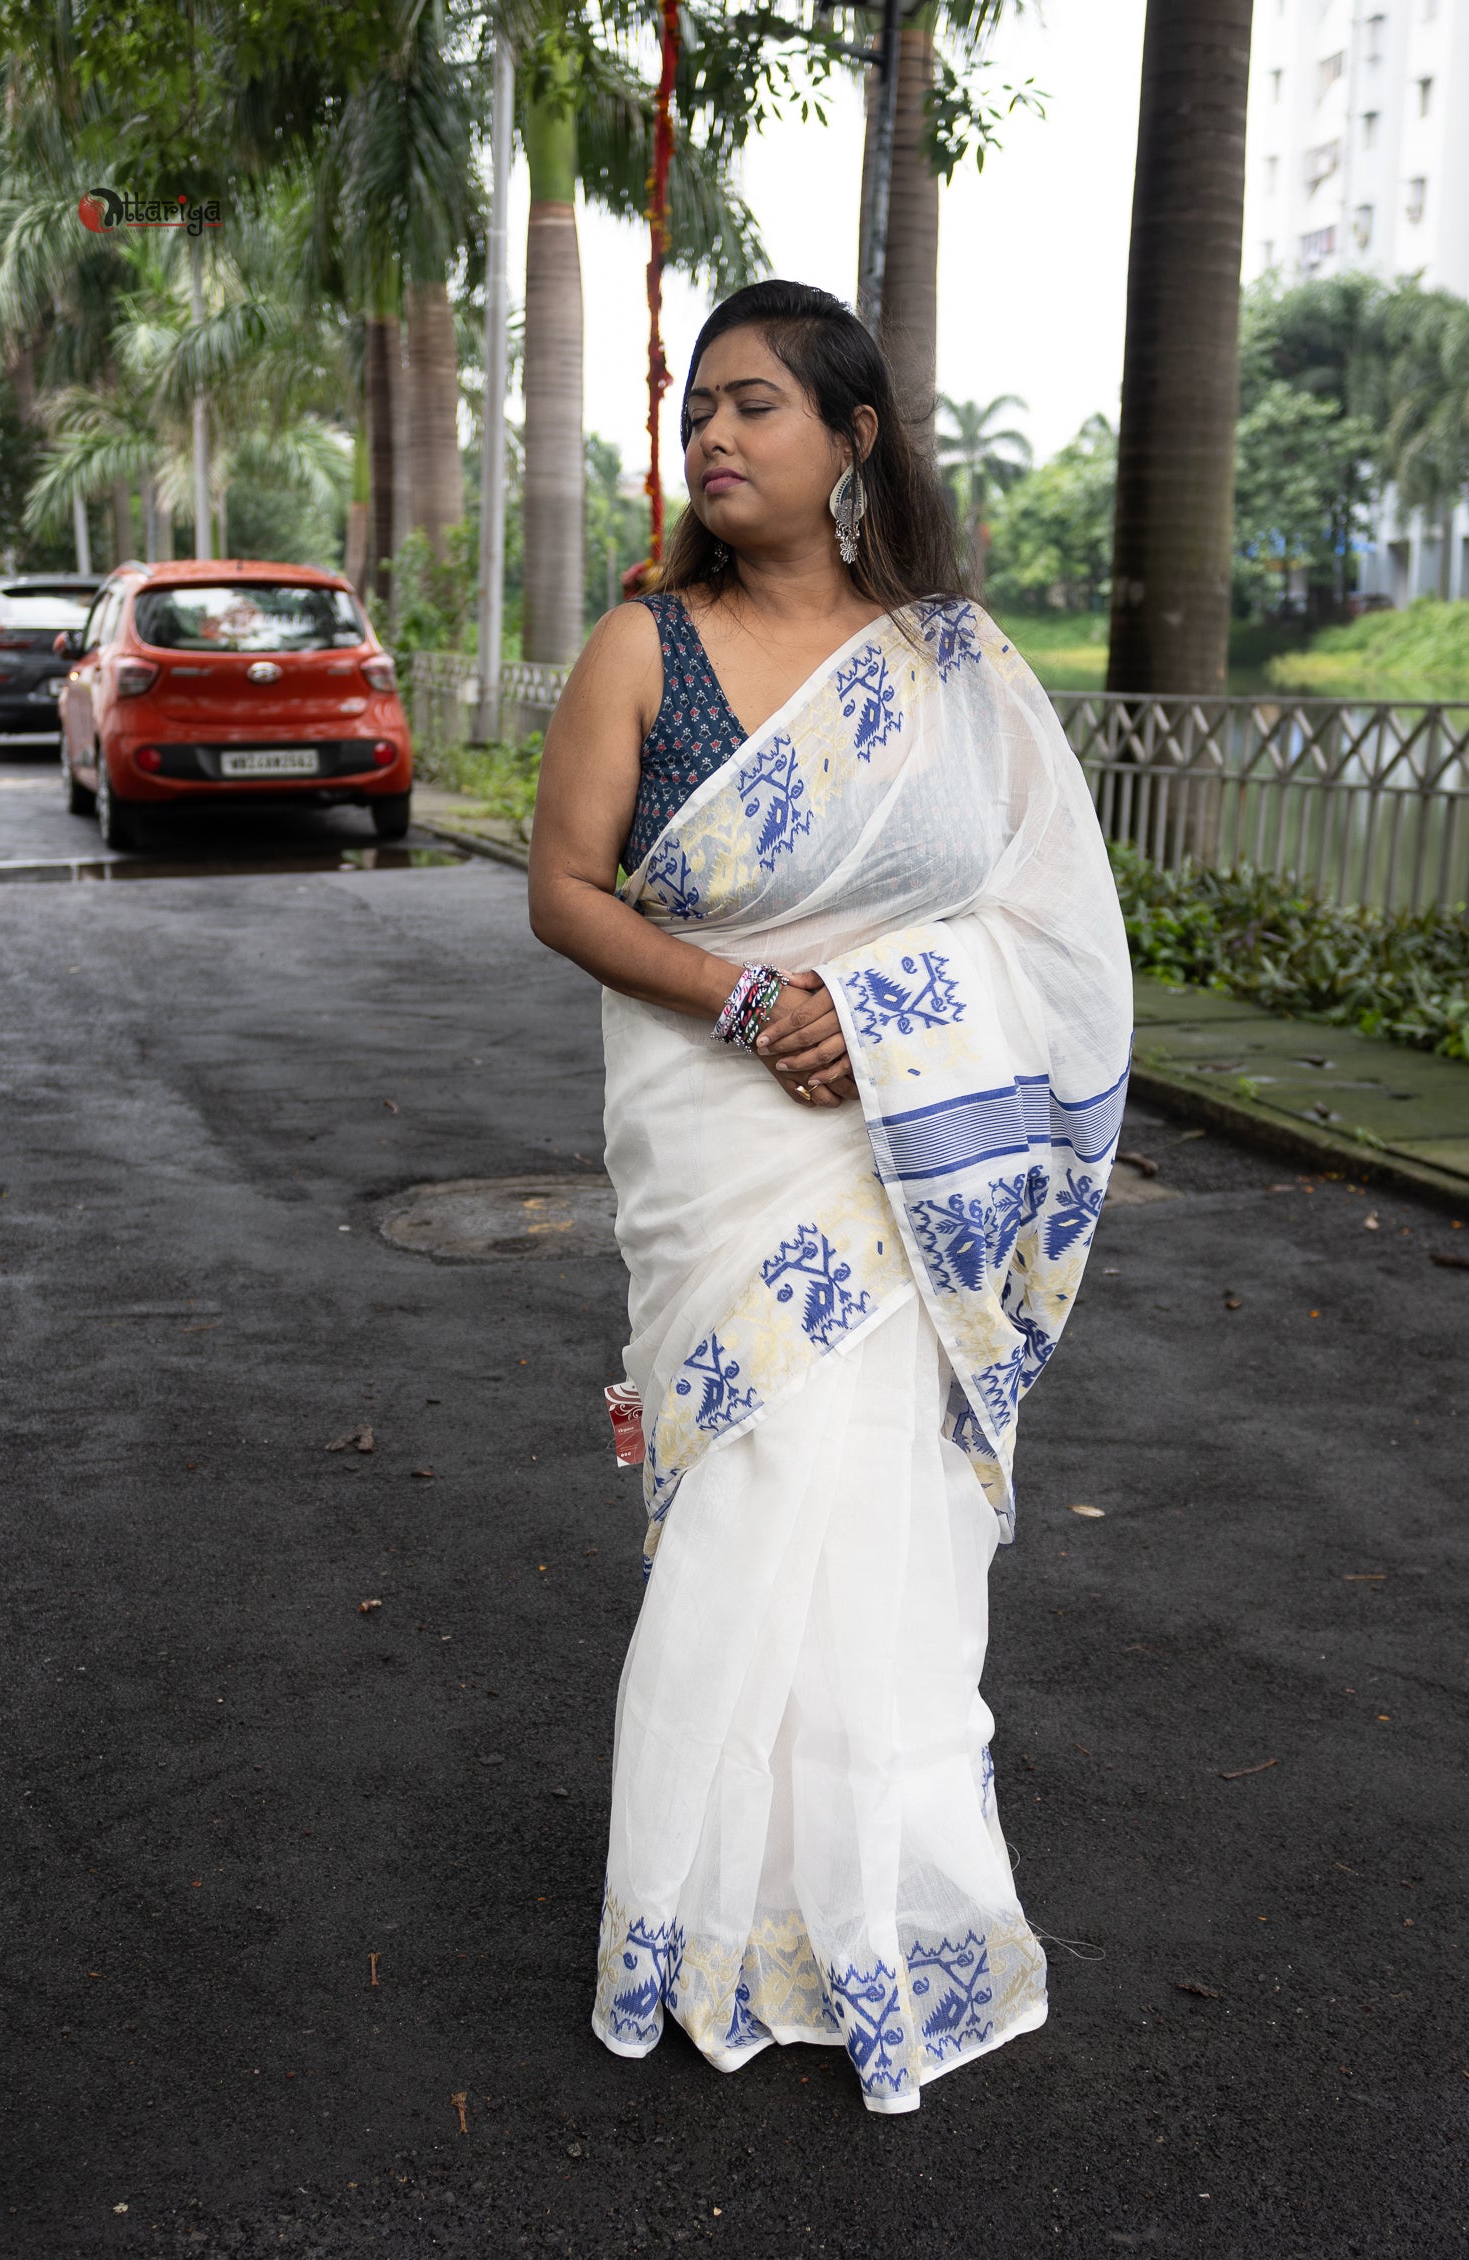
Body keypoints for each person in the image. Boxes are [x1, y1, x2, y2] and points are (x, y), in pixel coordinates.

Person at [528, 280, 1132, 2115]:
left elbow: (1047, 924)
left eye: (759, 406)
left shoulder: (956, 662)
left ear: (853, 438)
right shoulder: (649, 643)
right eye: (698, 408)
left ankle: (874, 1909)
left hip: (909, 1137)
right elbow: (565, 888)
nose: (714, 436)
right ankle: (706, 1915)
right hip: (726, 1138)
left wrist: (873, 1022)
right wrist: (751, 1002)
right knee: (754, 1506)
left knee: (884, 1527)